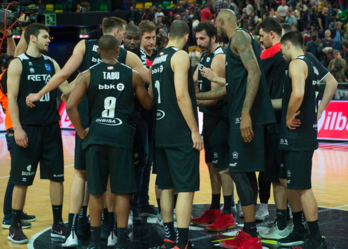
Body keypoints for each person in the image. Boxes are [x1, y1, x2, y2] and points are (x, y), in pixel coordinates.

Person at [25, 16, 150, 248]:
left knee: (83, 177)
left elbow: (65, 77)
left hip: (88, 123)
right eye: (123, 34)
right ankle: (112, 230)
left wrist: (41, 93)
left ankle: (75, 229)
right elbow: (147, 80)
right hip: (115, 127)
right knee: (113, 183)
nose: (125, 38)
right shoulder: (127, 58)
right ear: (116, 33)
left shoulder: (84, 48)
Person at [196, 9, 275, 249]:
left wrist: (245, 113)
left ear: (220, 22)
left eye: (215, 26)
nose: (215, 31)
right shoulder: (235, 43)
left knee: (240, 173)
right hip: (241, 115)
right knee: (245, 174)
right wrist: (194, 97)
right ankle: (249, 234)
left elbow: (254, 71)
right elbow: (229, 88)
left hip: (246, 117)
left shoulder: (239, 37)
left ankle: (250, 237)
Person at [66, 35, 153, 249]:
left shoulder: (86, 75)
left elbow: (69, 106)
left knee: (96, 191)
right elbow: (148, 104)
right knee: (121, 191)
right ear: (117, 50)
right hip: (121, 137)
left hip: (95, 137)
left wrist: (82, 132)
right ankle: (121, 240)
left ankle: (95, 242)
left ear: (97, 52)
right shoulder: (131, 74)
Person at [7, 23, 75, 244]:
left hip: (51, 129)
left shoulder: (51, 63)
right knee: (21, 180)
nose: (49, 40)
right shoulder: (18, 64)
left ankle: (57, 223)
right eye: (45, 37)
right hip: (27, 130)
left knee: (57, 178)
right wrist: (17, 128)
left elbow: (66, 89)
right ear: (32, 38)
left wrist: (89, 75)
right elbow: (12, 100)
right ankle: (14, 226)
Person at [278, 30, 337, 249]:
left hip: (298, 134)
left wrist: (288, 115)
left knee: (302, 187)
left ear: (286, 46)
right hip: (300, 133)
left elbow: (299, 94)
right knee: (289, 182)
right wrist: (319, 110)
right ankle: (299, 229)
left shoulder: (295, 64)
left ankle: (315, 238)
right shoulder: (311, 60)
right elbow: (332, 83)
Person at [151, 20, 203, 249]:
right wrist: (194, 130)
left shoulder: (156, 60)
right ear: (186, 37)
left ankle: (169, 237)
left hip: (160, 129)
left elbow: (153, 95)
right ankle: (182, 242)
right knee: (185, 188)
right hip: (179, 130)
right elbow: (182, 96)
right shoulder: (180, 56)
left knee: (166, 185)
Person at [190, 21, 236, 232]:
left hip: (221, 119)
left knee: (223, 168)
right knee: (211, 165)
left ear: (214, 38)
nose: (198, 42)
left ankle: (228, 213)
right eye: (197, 38)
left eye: (202, 39)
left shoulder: (219, 58)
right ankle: (215, 209)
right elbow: (195, 80)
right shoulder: (204, 56)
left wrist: (192, 100)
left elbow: (218, 94)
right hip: (209, 118)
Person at [256, 17, 291, 239]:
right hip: (274, 125)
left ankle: (287, 222)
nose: (260, 41)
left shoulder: (276, 56)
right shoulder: (285, 57)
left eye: (261, 36)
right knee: (276, 176)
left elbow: (280, 97)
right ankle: (284, 221)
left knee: (281, 178)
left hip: (278, 125)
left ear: (272, 34)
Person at [1, 24, 36, 230]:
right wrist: (25, 30)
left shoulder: (5, 75)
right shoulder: (6, 78)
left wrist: (8, 37)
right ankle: (8, 216)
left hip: (16, 129)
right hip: (14, 131)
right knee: (16, 176)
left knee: (21, 175)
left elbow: (12, 54)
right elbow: (17, 56)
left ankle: (16, 210)